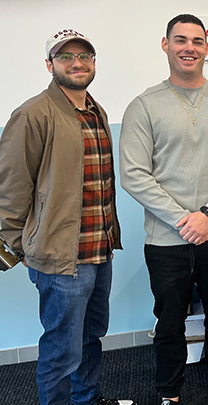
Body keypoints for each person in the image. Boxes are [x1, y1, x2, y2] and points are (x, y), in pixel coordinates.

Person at [119, 14, 208, 405]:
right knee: (169, 323)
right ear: (165, 45)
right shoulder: (144, 105)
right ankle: (169, 394)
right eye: (180, 40)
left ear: (207, 48)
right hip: (167, 238)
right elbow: (133, 174)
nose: (189, 48)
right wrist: (186, 219)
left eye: (197, 41)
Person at [0, 29, 133, 405]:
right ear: (50, 65)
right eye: (66, 57)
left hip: (99, 248)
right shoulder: (32, 114)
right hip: (61, 257)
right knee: (62, 349)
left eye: (85, 56)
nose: (77, 63)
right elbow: (11, 187)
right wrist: (16, 242)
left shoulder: (95, 110)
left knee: (91, 336)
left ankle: (87, 399)